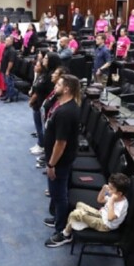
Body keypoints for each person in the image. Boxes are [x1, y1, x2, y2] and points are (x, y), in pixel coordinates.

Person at [43, 74, 82, 248]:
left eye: (58, 84)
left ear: (67, 89)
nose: (55, 86)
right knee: (59, 194)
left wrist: (51, 164)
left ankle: (62, 231)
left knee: (59, 195)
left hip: (60, 161)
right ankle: (59, 218)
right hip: (61, 158)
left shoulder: (66, 112)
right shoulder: (65, 106)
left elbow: (60, 143)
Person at [56, 174, 130, 243]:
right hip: (101, 214)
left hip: (105, 225)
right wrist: (103, 190)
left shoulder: (121, 204)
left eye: (111, 189)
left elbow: (110, 218)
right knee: (79, 204)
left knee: (74, 214)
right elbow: (100, 200)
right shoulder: (113, 195)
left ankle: (66, 235)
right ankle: (84, 221)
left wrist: (111, 202)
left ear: (119, 193)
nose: (109, 190)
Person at [29, 53, 61, 155]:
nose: (44, 60)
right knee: (38, 125)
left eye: (46, 58)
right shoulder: (45, 72)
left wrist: (33, 98)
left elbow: (48, 91)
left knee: (42, 127)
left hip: (44, 104)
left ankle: (42, 145)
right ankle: (40, 143)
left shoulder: (52, 75)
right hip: (38, 103)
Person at [0, 36, 19, 103]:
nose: (5, 42)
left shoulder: (12, 50)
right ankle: (7, 96)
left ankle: (10, 97)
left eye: (7, 41)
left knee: (10, 84)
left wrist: (8, 70)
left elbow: (11, 62)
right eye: (5, 40)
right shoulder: (6, 48)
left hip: (9, 70)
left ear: (11, 42)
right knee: (7, 84)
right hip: (4, 68)